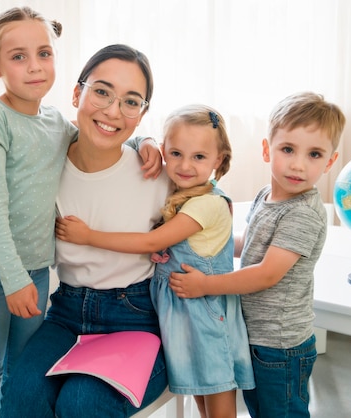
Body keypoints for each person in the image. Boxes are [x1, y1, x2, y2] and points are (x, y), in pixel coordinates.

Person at [0, 8, 162, 417]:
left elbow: (212, 198)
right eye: (102, 93)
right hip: (63, 307)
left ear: (142, 112)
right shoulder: (33, 136)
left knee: (80, 403)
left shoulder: (153, 171)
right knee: (18, 394)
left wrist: (146, 139)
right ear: (78, 95)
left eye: (131, 102)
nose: (112, 110)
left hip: (132, 316)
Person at [56, 104, 255, 418]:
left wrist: (88, 235)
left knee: (218, 402)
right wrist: (144, 141)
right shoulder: (181, 195)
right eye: (175, 154)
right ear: (164, 151)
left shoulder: (206, 203)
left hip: (204, 317)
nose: (184, 165)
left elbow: (150, 241)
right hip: (182, 318)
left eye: (199, 157)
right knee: (202, 401)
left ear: (218, 160)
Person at [170, 92, 346, 418]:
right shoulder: (266, 196)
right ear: (267, 150)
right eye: (288, 149)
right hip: (256, 337)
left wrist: (205, 285)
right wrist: (200, 239)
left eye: (314, 154)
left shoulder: (303, 213)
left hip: (281, 346)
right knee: (260, 409)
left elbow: (267, 274)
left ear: (330, 162)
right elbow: (245, 244)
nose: (298, 164)